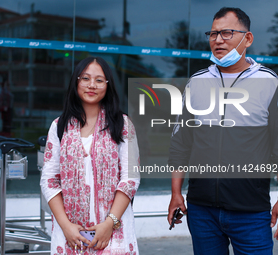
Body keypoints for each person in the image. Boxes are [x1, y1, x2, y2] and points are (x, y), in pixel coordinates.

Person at [167, 7, 278, 255]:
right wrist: (176, 193)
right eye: (213, 33)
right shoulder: (196, 83)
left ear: (247, 39)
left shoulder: (270, 83)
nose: (218, 40)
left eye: (227, 33)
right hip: (202, 210)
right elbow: (181, 142)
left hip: (251, 212)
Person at [40, 56, 140, 254]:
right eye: (85, 78)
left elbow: (130, 178)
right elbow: (49, 180)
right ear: (76, 82)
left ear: (108, 85)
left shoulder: (122, 124)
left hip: (113, 231)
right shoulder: (59, 126)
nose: (92, 85)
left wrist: (109, 224)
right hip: (70, 233)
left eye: (99, 80)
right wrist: (66, 226)